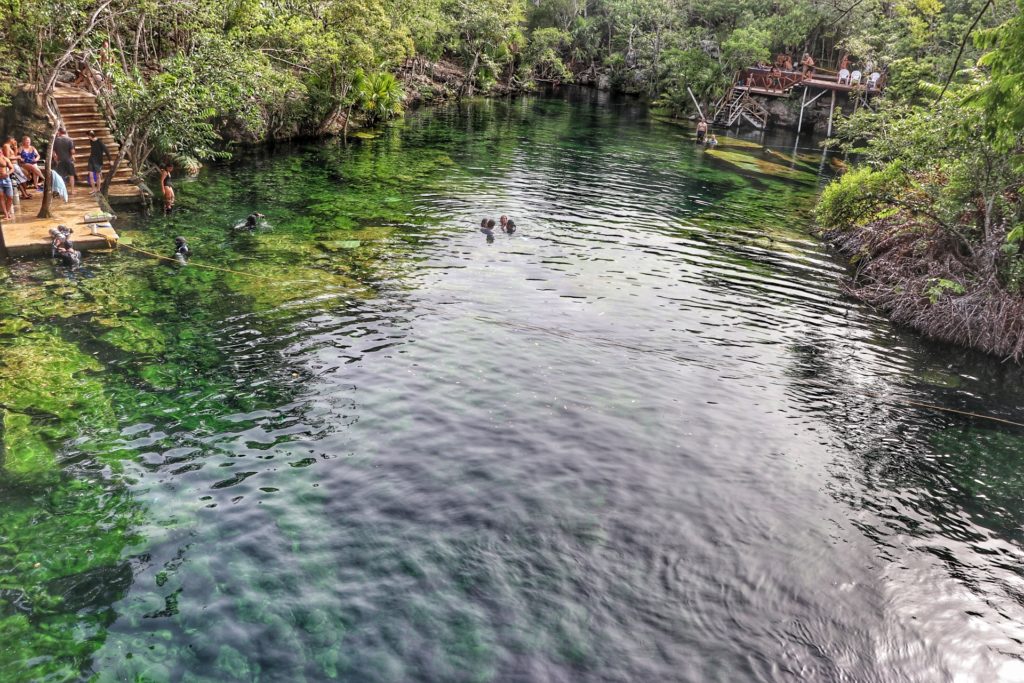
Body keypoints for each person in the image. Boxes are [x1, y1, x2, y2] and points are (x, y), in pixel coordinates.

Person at [52, 127, 76, 195]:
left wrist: (55, 158)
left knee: (60, 176)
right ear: (65, 132)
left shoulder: (56, 140)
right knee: (71, 175)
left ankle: (61, 191)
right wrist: (73, 153)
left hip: (60, 160)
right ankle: (72, 190)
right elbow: (72, 151)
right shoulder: (70, 139)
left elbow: (53, 152)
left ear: (59, 132)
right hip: (69, 160)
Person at [0, 153, 15, 220]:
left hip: (6, 179)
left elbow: (12, 168)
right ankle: (6, 214)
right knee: (1, 197)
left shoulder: (5, 159)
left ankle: (8, 212)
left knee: (10, 197)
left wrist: (7, 173)